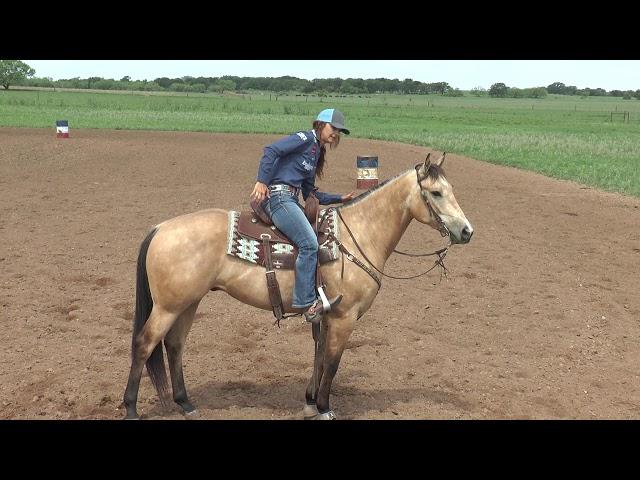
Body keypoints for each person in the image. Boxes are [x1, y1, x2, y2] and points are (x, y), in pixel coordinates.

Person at [250, 108, 356, 324]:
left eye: (339, 131)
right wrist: (262, 181)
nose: (336, 134)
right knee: (309, 244)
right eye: (333, 128)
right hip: (279, 198)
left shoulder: (316, 151)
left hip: (291, 199)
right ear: (320, 124)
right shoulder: (305, 138)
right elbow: (271, 150)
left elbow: (310, 194)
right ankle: (306, 303)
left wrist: (339, 198)